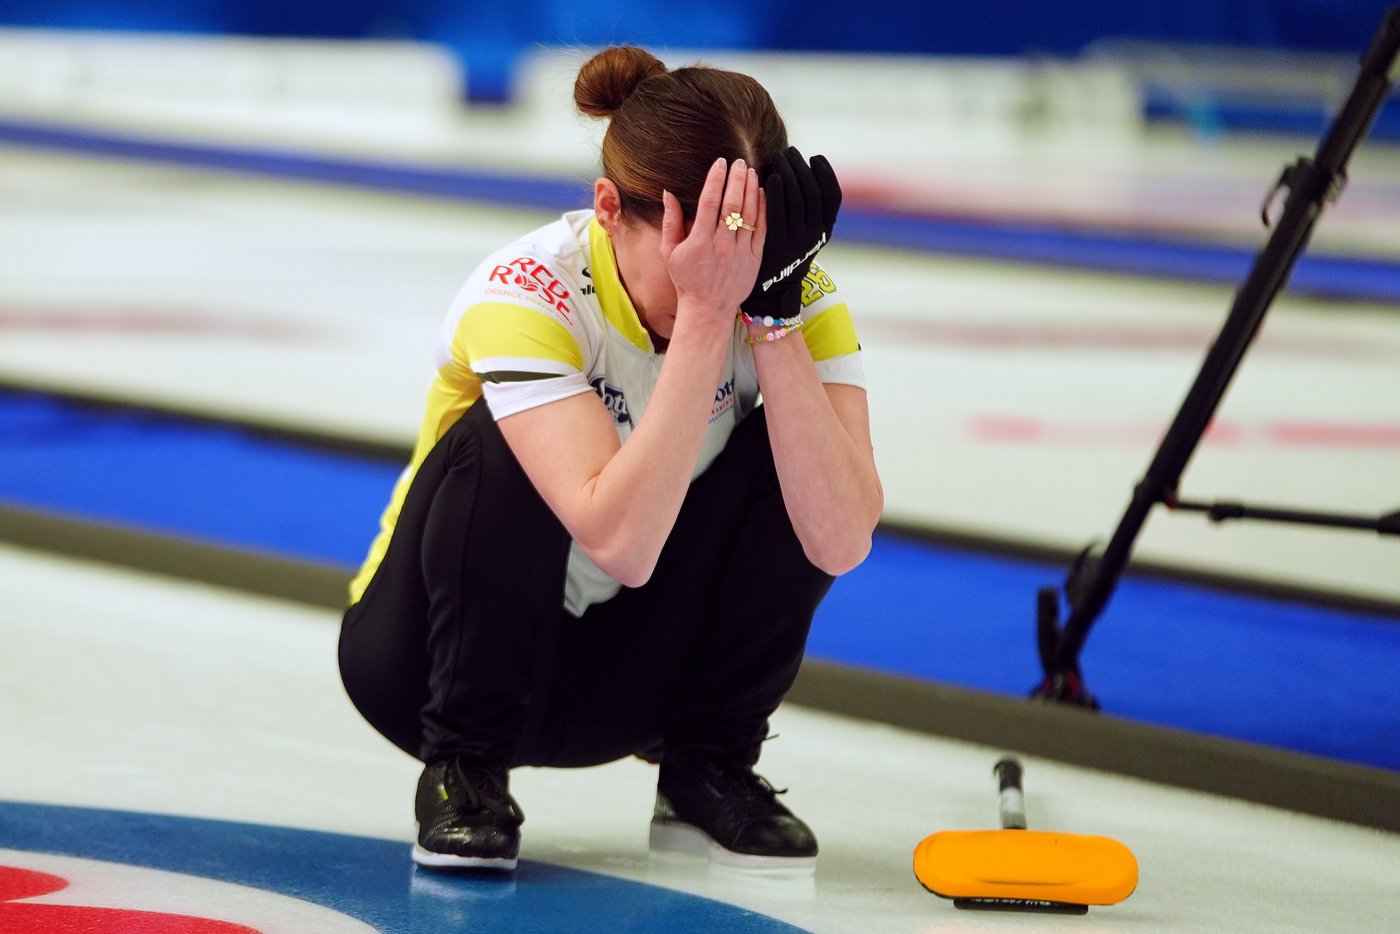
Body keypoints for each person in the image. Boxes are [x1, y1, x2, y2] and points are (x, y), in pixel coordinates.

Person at [337, 45, 882, 873]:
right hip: (424, 672)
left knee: (804, 449)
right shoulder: (525, 290)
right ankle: (464, 770)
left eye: (741, 252)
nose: (722, 276)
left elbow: (839, 538)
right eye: (691, 254)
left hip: (620, 686)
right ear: (606, 208)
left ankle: (707, 768)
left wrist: (770, 325)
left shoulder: (792, 298)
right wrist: (708, 316)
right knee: (493, 438)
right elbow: (618, 545)